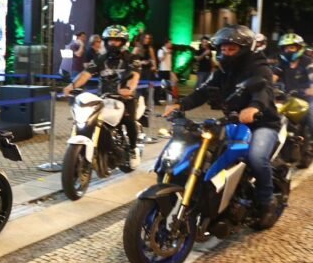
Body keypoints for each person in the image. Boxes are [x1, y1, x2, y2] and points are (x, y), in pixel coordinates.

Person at [163, 25, 281, 229]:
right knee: (210, 154)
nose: (226, 53)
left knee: (256, 157)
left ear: (244, 49)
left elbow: (263, 90)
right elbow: (204, 91)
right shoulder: (223, 71)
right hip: (234, 123)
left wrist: (254, 107)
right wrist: (180, 105)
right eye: (223, 49)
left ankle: (266, 201)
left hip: (263, 124)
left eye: (231, 49)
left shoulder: (259, 68)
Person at [63, 25, 142, 169]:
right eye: (110, 40)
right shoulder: (100, 59)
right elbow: (85, 74)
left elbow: (135, 76)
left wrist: (129, 89)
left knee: (129, 120)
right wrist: (71, 86)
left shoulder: (132, 58)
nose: (113, 43)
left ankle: (133, 149)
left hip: (125, 98)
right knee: (90, 119)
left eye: (116, 40)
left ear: (123, 42)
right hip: (104, 98)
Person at [272, 33, 313, 132]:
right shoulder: (282, 64)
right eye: (286, 48)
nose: (288, 51)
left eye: (292, 47)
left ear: (299, 48)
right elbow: (271, 79)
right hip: (288, 99)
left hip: (306, 100)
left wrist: (306, 91)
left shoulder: (307, 62)